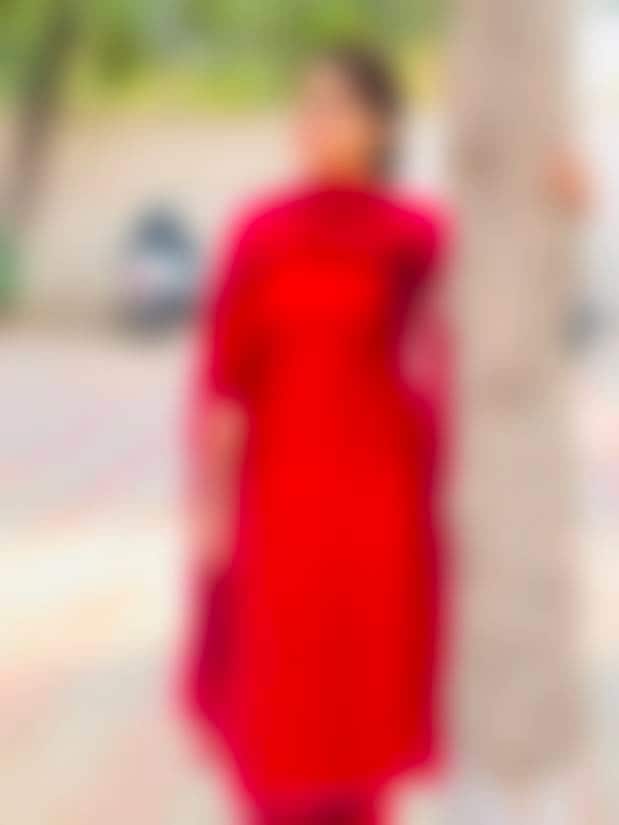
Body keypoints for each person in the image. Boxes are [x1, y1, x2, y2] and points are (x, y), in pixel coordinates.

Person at [182, 43, 449, 825]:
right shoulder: (259, 232)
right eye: (305, 104)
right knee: (273, 715)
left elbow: (482, 339)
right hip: (278, 507)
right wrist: (209, 507)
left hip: (378, 514)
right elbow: (224, 382)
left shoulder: (416, 236)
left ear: (380, 125)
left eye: (335, 105)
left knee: (359, 717)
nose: (313, 121)